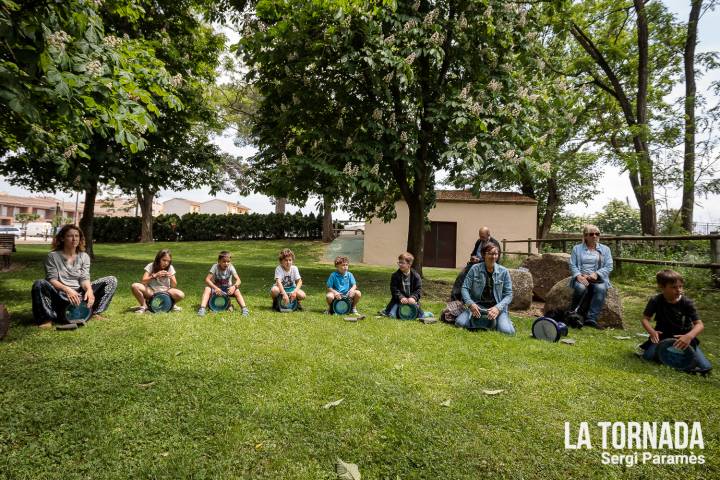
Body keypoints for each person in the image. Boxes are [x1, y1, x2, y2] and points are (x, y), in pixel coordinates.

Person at [31, 224, 117, 328]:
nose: (74, 239)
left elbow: (84, 278)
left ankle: (93, 312)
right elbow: (51, 279)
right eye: (70, 236)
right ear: (62, 238)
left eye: (77, 236)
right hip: (60, 294)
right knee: (39, 283)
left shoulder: (84, 256)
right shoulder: (52, 256)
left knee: (111, 280)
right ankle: (46, 319)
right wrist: (67, 290)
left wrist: (89, 290)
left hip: (80, 294)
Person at [639, 270, 711, 374]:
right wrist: (652, 332)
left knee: (705, 368)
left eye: (681, 286)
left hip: (684, 339)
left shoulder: (687, 303)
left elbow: (699, 325)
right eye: (674, 287)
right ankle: (665, 354)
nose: (679, 290)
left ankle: (669, 356)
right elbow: (645, 319)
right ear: (662, 287)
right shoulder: (655, 300)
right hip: (662, 337)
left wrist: (689, 336)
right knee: (647, 357)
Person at [455, 243, 514, 335]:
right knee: (460, 323)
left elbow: (509, 294)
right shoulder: (475, 269)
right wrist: (471, 304)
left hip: (496, 307)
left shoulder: (504, 272)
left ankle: (503, 318)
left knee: (507, 332)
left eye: (496, 254)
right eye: (490, 253)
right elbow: (465, 288)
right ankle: (486, 321)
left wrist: (498, 308)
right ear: (484, 255)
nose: (493, 256)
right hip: (477, 306)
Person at [568, 224, 613, 329]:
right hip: (582, 277)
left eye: (597, 234)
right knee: (580, 288)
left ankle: (591, 319)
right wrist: (578, 275)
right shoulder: (577, 248)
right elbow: (572, 264)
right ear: (585, 236)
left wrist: (597, 274)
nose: (594, 236)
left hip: (598, 279)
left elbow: (609, 266)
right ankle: (572, 313)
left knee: (601, 289)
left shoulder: (605, 249)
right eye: (591, 234)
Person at [131, 248, 185, 314]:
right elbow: (143, 281)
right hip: (152, 292)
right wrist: (155, 275)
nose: (166, 263)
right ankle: (144, 306)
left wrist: (170, 277)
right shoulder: (151, 265)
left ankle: (170, 305)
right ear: (158, 259)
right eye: (164, 260)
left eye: (168, 261)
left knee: (181, 294)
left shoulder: (170, 267)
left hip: (166, 292)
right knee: (135, 286)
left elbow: (174, 285)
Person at [197, 251, 249, 316]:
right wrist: (216, 288)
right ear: (219, 261)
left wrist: (234, 287)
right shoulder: (215, 267)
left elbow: (238, 280)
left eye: (228, 262)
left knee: (237, 291)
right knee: (207, 289)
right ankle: (202, 309)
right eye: (224, 261)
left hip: (227, 289)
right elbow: (207, 279)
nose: (226, 263)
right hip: (216, 289)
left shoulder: (231, 267)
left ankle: (244, 309)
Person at [379, 252, 423, 318]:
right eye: (399, 262)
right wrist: (401, 297)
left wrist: (413, 297)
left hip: (411, 302)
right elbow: (394, 289)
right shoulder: (395, 276)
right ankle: (386, 310)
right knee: (392, 316)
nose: (400, 264)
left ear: (409, 264)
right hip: (398, 301)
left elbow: (418, 289)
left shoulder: (416, 276)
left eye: (402, 263)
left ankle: (425, 314)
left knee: (420, 316)